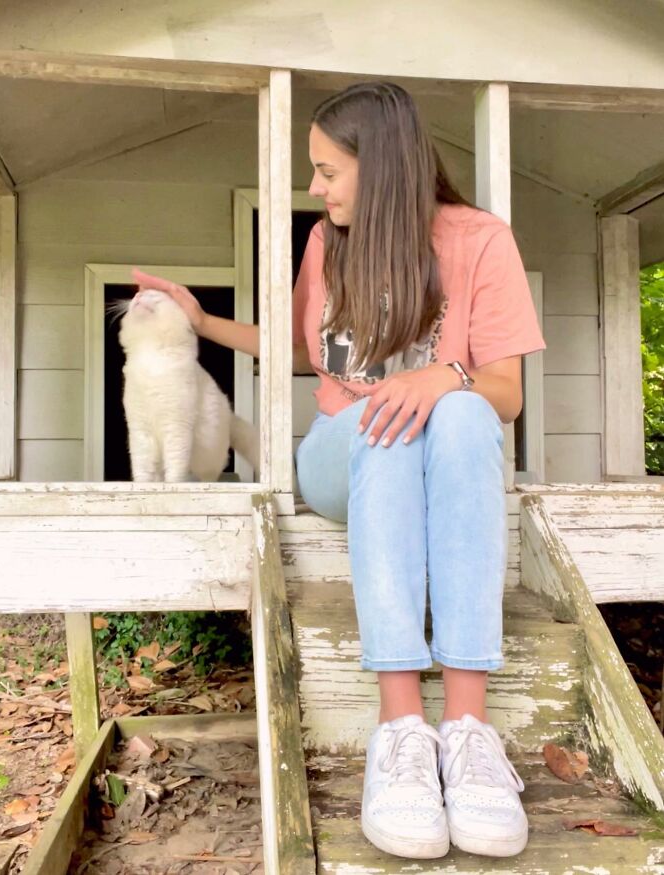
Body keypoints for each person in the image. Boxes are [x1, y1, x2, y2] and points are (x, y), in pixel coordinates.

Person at [133, 81, 546, 861]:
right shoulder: (329, 243)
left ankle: (464, 730)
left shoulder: (482, 241)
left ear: (382, 165)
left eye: (328, 171)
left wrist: (440, 376)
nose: (316, 188)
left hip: (436, 451)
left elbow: (507, 394)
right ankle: (399, 725)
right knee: (383, 413)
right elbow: (302, 351)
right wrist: (204, 321)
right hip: (340, 452)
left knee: (461, 407)